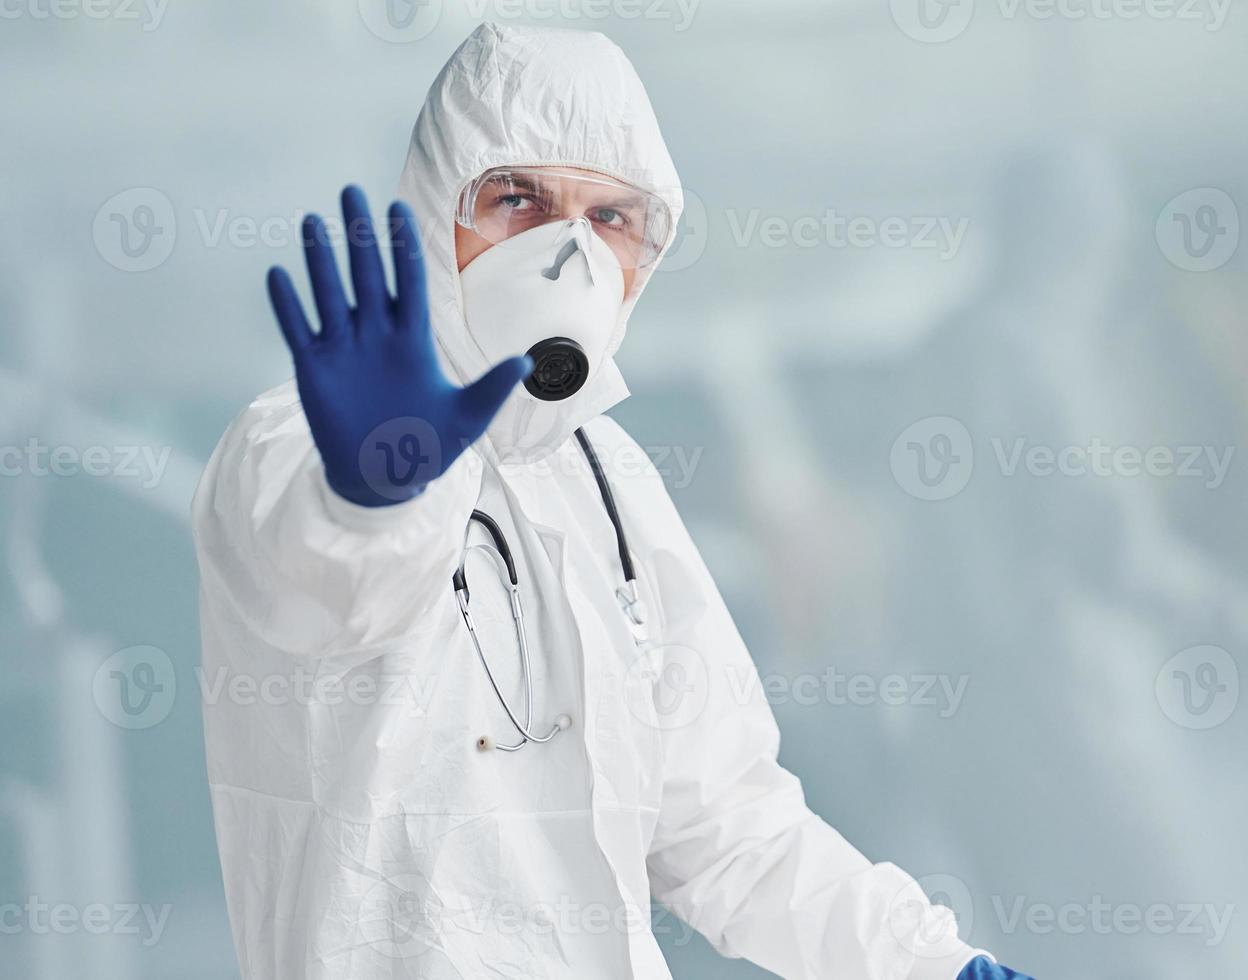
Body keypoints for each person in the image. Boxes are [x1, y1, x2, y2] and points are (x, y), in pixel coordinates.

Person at [192, 22, 1033, 980]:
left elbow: (728, 830)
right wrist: (383, 488)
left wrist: (928, 965)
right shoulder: (296, 444)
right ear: (437, 210)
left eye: (611, 220)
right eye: (520, 201)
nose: (569, 256)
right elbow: (332, 585)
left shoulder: (607, 479)